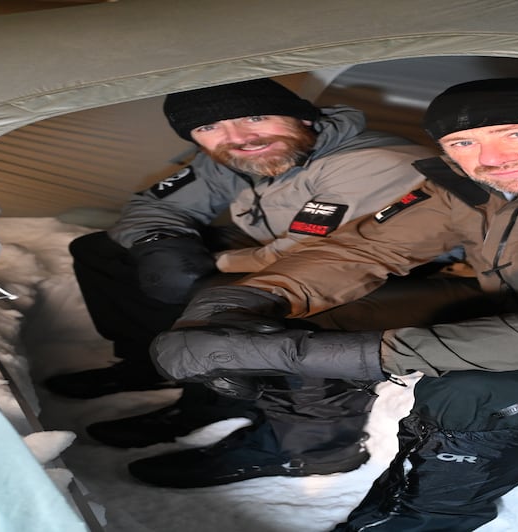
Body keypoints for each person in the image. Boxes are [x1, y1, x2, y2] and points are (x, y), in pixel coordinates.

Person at [141, 78, 518, 530]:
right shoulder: (472, 186)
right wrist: (240, 302)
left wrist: (309, 355)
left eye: (517, 133)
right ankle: (309, 448)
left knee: (469, 390)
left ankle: (427, 518)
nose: (491, 158)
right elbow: (364, 247)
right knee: (302, 316)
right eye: (464, 142)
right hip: (507, 304)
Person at [44, 78, 486, 478]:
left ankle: (310, 449)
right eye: (208, 128)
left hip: (416, 273)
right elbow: (154, 204)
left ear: (302, 116)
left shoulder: (378, 162)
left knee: (276, 310)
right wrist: (160, 244)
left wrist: (213, 266)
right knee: (109, 251)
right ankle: (164, 367)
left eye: (255, 117)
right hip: (299, 252)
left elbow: (322, 257)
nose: (237, 137)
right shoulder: (234, 155)